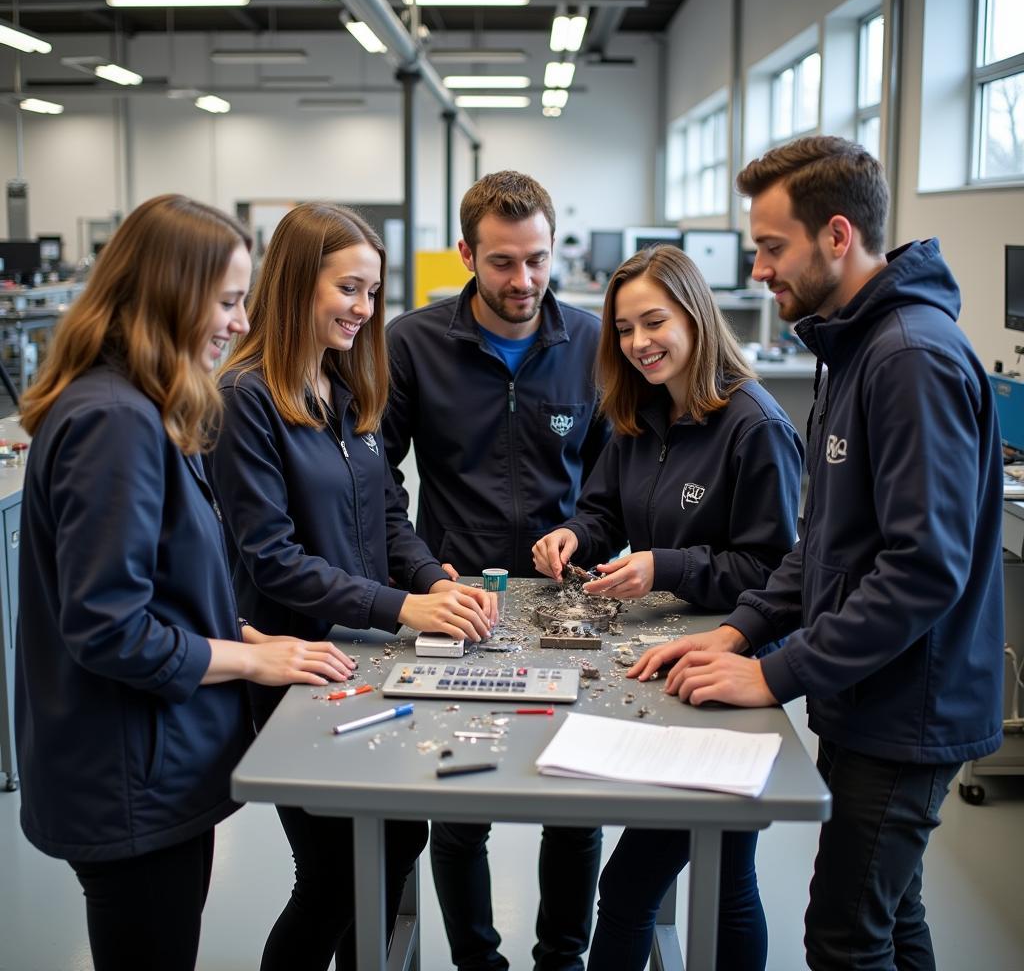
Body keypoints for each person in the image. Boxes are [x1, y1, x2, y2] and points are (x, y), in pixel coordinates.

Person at [632, 136, 1006, 971]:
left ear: (837, 236)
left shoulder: (908, 358)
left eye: (772, 247)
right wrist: (740, 630)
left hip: (909, 708)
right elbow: (826, 542)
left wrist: (775, 673)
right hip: (863, 690)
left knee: (844, 940)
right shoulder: (850, 345)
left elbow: (921, 570)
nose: (758, 270)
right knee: (893, 917)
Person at [14, 194, 353, 971]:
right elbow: (109, 627)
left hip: (145, 764)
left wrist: (239, 633)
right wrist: (250, 661)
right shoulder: (114, 420)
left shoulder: (141, 407)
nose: (240, 322)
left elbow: (153, 586)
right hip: (127, 773)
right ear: (170, 293)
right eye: (228, 302)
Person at [206, 202, 494, 971]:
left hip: (362, 661)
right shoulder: (246, 399)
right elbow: (271, 558)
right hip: (294, 662)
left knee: (397, 837)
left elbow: (387, 511)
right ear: (298, 283)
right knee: (333, 874)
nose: (366, 311)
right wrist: (403, 606)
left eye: (373, 293)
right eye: (350, 289)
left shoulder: (338, 388)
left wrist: (435, 579)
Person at [532, 244, 803, 971]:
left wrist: (665, 566)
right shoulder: (638, 413)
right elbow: (601, 512)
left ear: (695, 314)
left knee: (655, 886)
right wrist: (572, 534)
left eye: (654, 322)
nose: (638, 343)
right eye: (623, 329)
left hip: (732, 674)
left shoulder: (756, 427)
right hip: (662, 666)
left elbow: (779, 572)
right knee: (717, 872)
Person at [382, 171, 610, 971]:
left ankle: (562, 960)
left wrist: (582, 531)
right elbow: (376, 477)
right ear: (465, 255)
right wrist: (419, 571)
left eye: (539, 261)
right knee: (459, 803)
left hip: (564, 603)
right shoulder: (411, 344)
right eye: (504, 263)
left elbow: (617, 476)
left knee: (579, 806)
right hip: (457, 601)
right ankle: (478, 961)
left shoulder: (590, 340)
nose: (524, 282)